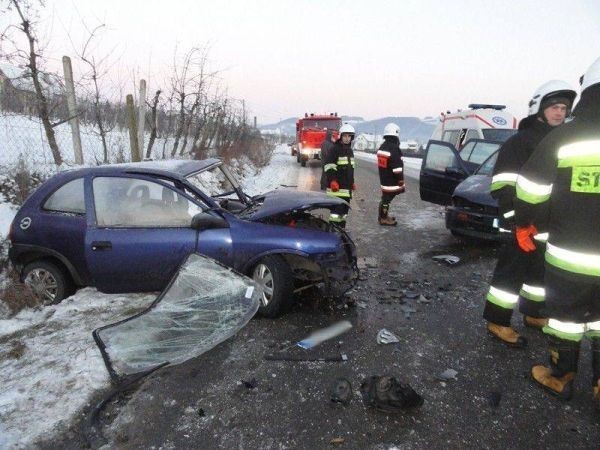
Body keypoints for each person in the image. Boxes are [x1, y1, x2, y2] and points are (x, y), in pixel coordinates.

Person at [514, 57, 600, 404]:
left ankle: (561, 376)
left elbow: (531, 188)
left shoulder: (566, 137)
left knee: (565, 318)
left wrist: (524, 223)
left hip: (570, 259)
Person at [483, 80, 577, 348]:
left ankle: (534, 313)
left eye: (564, 108)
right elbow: (503, 185)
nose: (559, 112)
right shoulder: (520, 142)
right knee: (510, 274)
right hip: (519, 223)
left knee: (539, 274)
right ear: (539, 108)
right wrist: (516, 222)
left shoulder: (562, 142)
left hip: (548, 224)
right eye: (554, 107)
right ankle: (497, 320)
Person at [324, 123, 356, 228]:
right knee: (335, 214)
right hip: (336, 189)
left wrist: (352, 182)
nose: (347, 139)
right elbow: (329, 167)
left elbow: (350, 169)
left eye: (349, 136)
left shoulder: (350, 151)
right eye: (345, 136)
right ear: (341, 136)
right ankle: (333, 232)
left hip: (346, 190)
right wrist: (333, 180)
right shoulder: (334, 149)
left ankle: (341, 231)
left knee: (344, 213)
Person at [376, 123, 405, 226]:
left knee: (385, 198)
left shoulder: (383, 147)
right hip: (391, 180)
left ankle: (383, 216)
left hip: (384, 178)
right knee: (386, 199)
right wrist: (400, 179)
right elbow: (397, 166)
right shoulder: (394, 148)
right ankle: (383, 218)